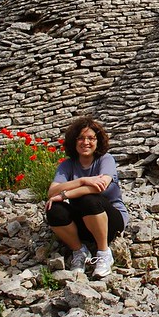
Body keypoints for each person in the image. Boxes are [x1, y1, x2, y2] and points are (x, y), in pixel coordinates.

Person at [45, 116, 128, 278]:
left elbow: (99, 186)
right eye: (81, 138)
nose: (86, 142)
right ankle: (79, 251)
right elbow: (51, 192)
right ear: (74, 142)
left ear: (97, 142)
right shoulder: (67, 165)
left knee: (88, 199)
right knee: (53, 209)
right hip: (84, 222)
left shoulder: (106, 160)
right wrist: (83, 180)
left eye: (91, 138)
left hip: (111, 221)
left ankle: (104, 252)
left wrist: (64, 195)